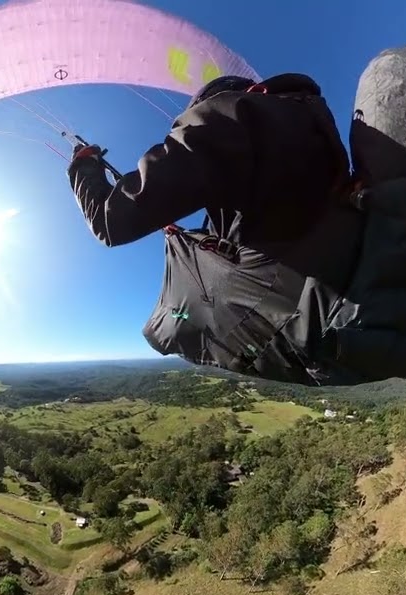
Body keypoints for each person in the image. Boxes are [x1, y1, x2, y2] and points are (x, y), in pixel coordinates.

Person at [66, 73, 371, 387]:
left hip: (305, 332)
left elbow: (110, 222)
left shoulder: (228, 114)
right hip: (348, 313)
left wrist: (83, 168)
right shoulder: (316, 133)